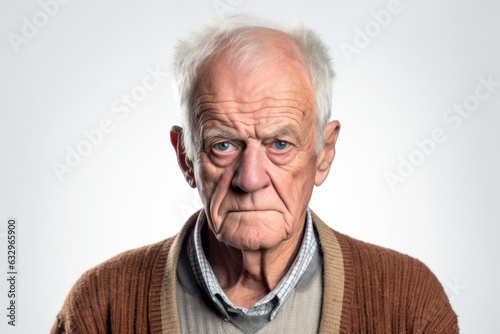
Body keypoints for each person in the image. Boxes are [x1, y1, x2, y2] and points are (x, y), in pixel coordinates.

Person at [52, 15, 458, 333]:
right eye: (223, 145)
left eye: (280, 145)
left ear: (323, 153)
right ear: (186, 158)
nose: (250, 179)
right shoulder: (100, 306)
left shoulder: (409, 305)